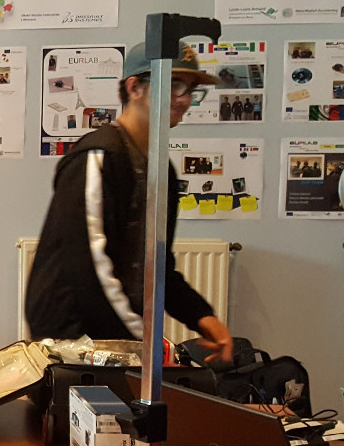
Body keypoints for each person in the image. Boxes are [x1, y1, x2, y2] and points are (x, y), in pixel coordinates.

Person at [25, 41, 235, 363]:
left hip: (116, 335)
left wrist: (203, 317)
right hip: (73, 335)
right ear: (135, 88)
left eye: (191, 90)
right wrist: (143, 343)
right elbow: (88, 267)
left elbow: (156, 265)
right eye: (174, 85)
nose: (185, 99)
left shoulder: (161, 171)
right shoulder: (99, 156)